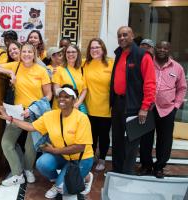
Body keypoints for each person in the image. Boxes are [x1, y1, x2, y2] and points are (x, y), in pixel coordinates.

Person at [0, 85, 94, 198]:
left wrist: (55, 150)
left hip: (81, 159)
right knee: (42, 163)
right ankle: (60, 180)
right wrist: (10, 118)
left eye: (66, 97)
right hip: (63, 156)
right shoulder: (51, 115)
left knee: (64, 189)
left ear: (74, 100)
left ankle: (86, 177)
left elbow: (80, 147)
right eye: (59, 96)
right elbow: (31, 126)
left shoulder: (82, 118)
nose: (62, 99)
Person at [0, 43, 52, 186]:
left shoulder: (41, 70)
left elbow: (48, 95)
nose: (26, 54)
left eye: (29, 52)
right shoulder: (15, 66)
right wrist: (10, 73)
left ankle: (28, 169)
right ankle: (18, 174)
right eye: (23, 51)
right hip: (17, 112)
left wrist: (33, 108)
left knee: (30, 146)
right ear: (20, 53)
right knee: (6, 143)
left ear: (34, 53)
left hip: (35, 112)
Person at [110, 26, 156, 174]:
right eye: (119, 35)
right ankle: (117, 171)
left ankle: (127, 173)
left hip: (134, 105)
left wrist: (144, 107)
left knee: (132, 142)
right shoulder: (119, 54)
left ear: (132, 36)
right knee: (116, 140)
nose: (122, 38)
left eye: (125, 35)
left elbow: (150, 83)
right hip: (118, 104)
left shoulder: (143, 55)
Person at [139, 41, 187, 178]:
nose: (162, 50)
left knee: (164, 140)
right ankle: (146, 166)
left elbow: (182, 88)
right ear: (155, 49)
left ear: (169, 50)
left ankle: (159, 167)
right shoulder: (147, 63)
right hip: (148, 108)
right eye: (159, 47)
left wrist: (176, 106)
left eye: (165, 48)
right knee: (145, 139)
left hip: (167, 110)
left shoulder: (177, 68)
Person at [83, 38, 114, 171]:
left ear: (103, 49)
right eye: (92, 48)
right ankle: (91, 157)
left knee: (104, 136)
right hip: (89, 108)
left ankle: (102, 159)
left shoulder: (111, 63)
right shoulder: (84, 64)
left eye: (97, 47)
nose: (94, 50)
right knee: (91, 136)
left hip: (107, 108)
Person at [52, 44, 87, 111]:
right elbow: (56, 90)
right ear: (65, 54)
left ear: (78, 54)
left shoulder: (82, 70)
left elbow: (84, 90)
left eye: (73, 52)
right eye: (68, 52)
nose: (71, 54)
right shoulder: (59, 69)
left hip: (75, 107)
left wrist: (78, 103)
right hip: (61, 107)